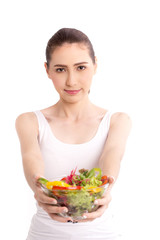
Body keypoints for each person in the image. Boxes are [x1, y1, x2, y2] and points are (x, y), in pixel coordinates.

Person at [15, 28, 131, 240]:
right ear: (47, 70)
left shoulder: (117, 120)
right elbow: (32, 158)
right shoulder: (29, 121)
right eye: (60, 70)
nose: (71, 81)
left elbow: (111, 156)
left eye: (80, 67)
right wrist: (38, 187)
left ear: (95, 65)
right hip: (44, 235)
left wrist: (106, 185)